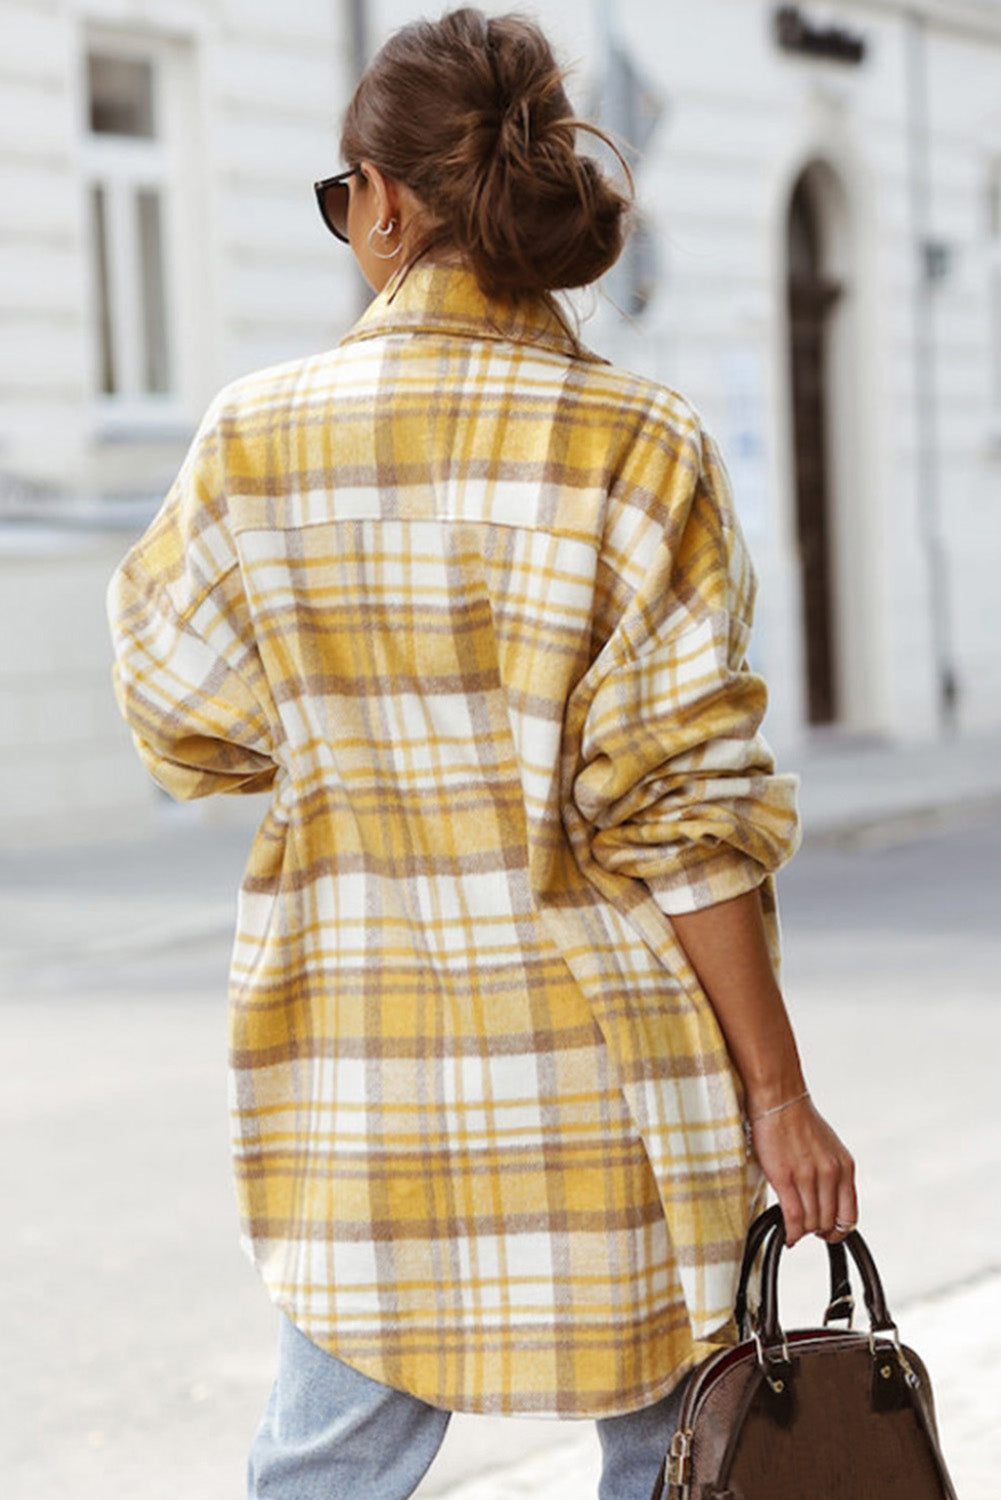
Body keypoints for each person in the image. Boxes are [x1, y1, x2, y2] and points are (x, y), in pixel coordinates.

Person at [107, 9, 856, 1498]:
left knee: (326, 1464)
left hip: (362, 1076)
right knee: (675, 1452)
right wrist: (777, 1094)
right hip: (615, 1069)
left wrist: (344, 728)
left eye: (341, 199)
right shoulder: (639, 442)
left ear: (382, 203)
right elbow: (685, 816)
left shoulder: (256, 441)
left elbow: (181, 713)